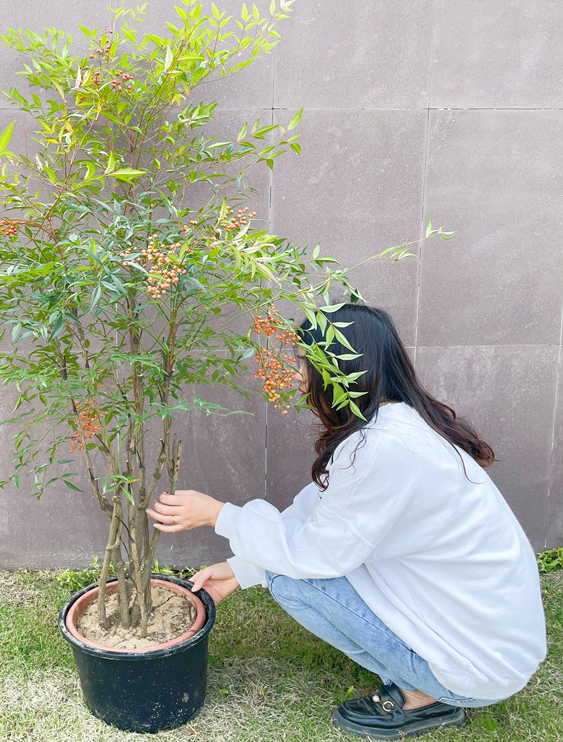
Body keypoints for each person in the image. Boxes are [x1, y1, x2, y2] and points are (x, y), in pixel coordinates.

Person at [146, 304, 546, 740]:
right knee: (288, 565)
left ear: (338, 368)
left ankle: (423, 697)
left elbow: (318, 554)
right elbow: (322, 514)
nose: (295, 372)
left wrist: (218, 515)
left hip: (476, 668)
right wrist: (240, 570)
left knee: (291, 578)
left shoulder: (383, 447)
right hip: (490, 646)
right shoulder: (397, 428)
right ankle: (430, 679)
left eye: (302, 360)